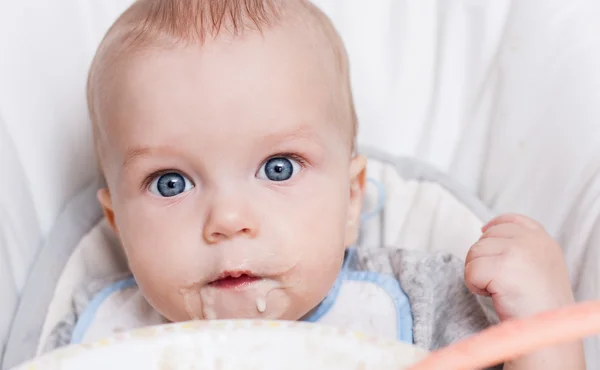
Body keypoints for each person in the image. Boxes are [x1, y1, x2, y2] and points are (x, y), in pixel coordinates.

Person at [48, 1, 584, 368]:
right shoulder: (93, 333)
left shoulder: (418, 305)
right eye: (170, 183)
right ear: (117, 221)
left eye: (278, 168)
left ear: (352, 199)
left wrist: (544, 323)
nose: (229, 220)